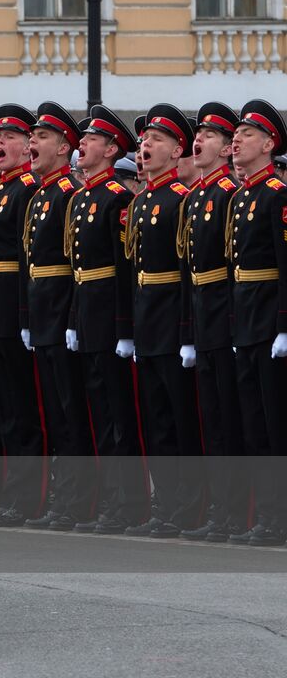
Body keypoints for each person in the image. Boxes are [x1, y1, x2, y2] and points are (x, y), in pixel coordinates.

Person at [67, 105, 145, 535]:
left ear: (112, 149)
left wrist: (123, 328)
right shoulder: (83, 197)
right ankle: (109, 500)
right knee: (99, 414)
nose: (82, 145)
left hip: (110, 321)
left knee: (119, 417)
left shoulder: (117, 198)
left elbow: (122, 269)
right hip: (87, 317)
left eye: (91, 140)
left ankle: (128, 503)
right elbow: (77, 269)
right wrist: (74, 320)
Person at [123, 104, 200, 538]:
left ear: (176, 152)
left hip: (172, 321)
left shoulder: (181, 200)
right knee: (156, 419)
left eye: (156, 140)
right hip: (147, 322)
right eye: (143, 141)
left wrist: (186, 331)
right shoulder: (140, 202)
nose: (145, 147)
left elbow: (188, 272)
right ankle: (166, 503)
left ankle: (189, 507)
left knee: (181, 418)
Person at [22, 103, 92, 532]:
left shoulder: (68, 193)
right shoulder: (42, 193)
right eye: (32, 136)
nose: (33, 142)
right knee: (54, 413)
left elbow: (74, 266)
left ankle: (78, 500)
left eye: (42, 137)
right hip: (42, 314)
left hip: (62, 314)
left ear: (65, 148)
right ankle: (64, 496)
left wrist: (70, 320)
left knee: (71, 413)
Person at [0, 104, 45, 526]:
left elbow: (24, 260)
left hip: (11, 312)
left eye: (10, 138)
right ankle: (10, 492)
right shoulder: (2, 189)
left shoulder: (26, 190)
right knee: (4, 409)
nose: (0, 144)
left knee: (21, 409)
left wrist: (22, 317)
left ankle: (27, 496)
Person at [179, 102, 245, 542]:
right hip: (203, 318)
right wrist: (189, 331)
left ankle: (239, 511)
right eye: (197, 134)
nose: (198, 140)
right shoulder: (198, 196)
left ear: (225, 150)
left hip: (227, 318)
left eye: (209, 136)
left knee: (232, 420)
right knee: (213, 421)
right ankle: (222, 509)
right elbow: (190, 270)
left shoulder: (227, 195)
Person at [226, 99, 287, 545]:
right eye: (236, 135)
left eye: (246, 135)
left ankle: (278, 516)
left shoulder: (276, 195)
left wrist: (283, 325)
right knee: (253, 422)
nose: (237, 141)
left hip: (269, 319)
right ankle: (265, 513)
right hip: (246, 319)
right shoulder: (241, 196)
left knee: (274, 422)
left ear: (268, 144)